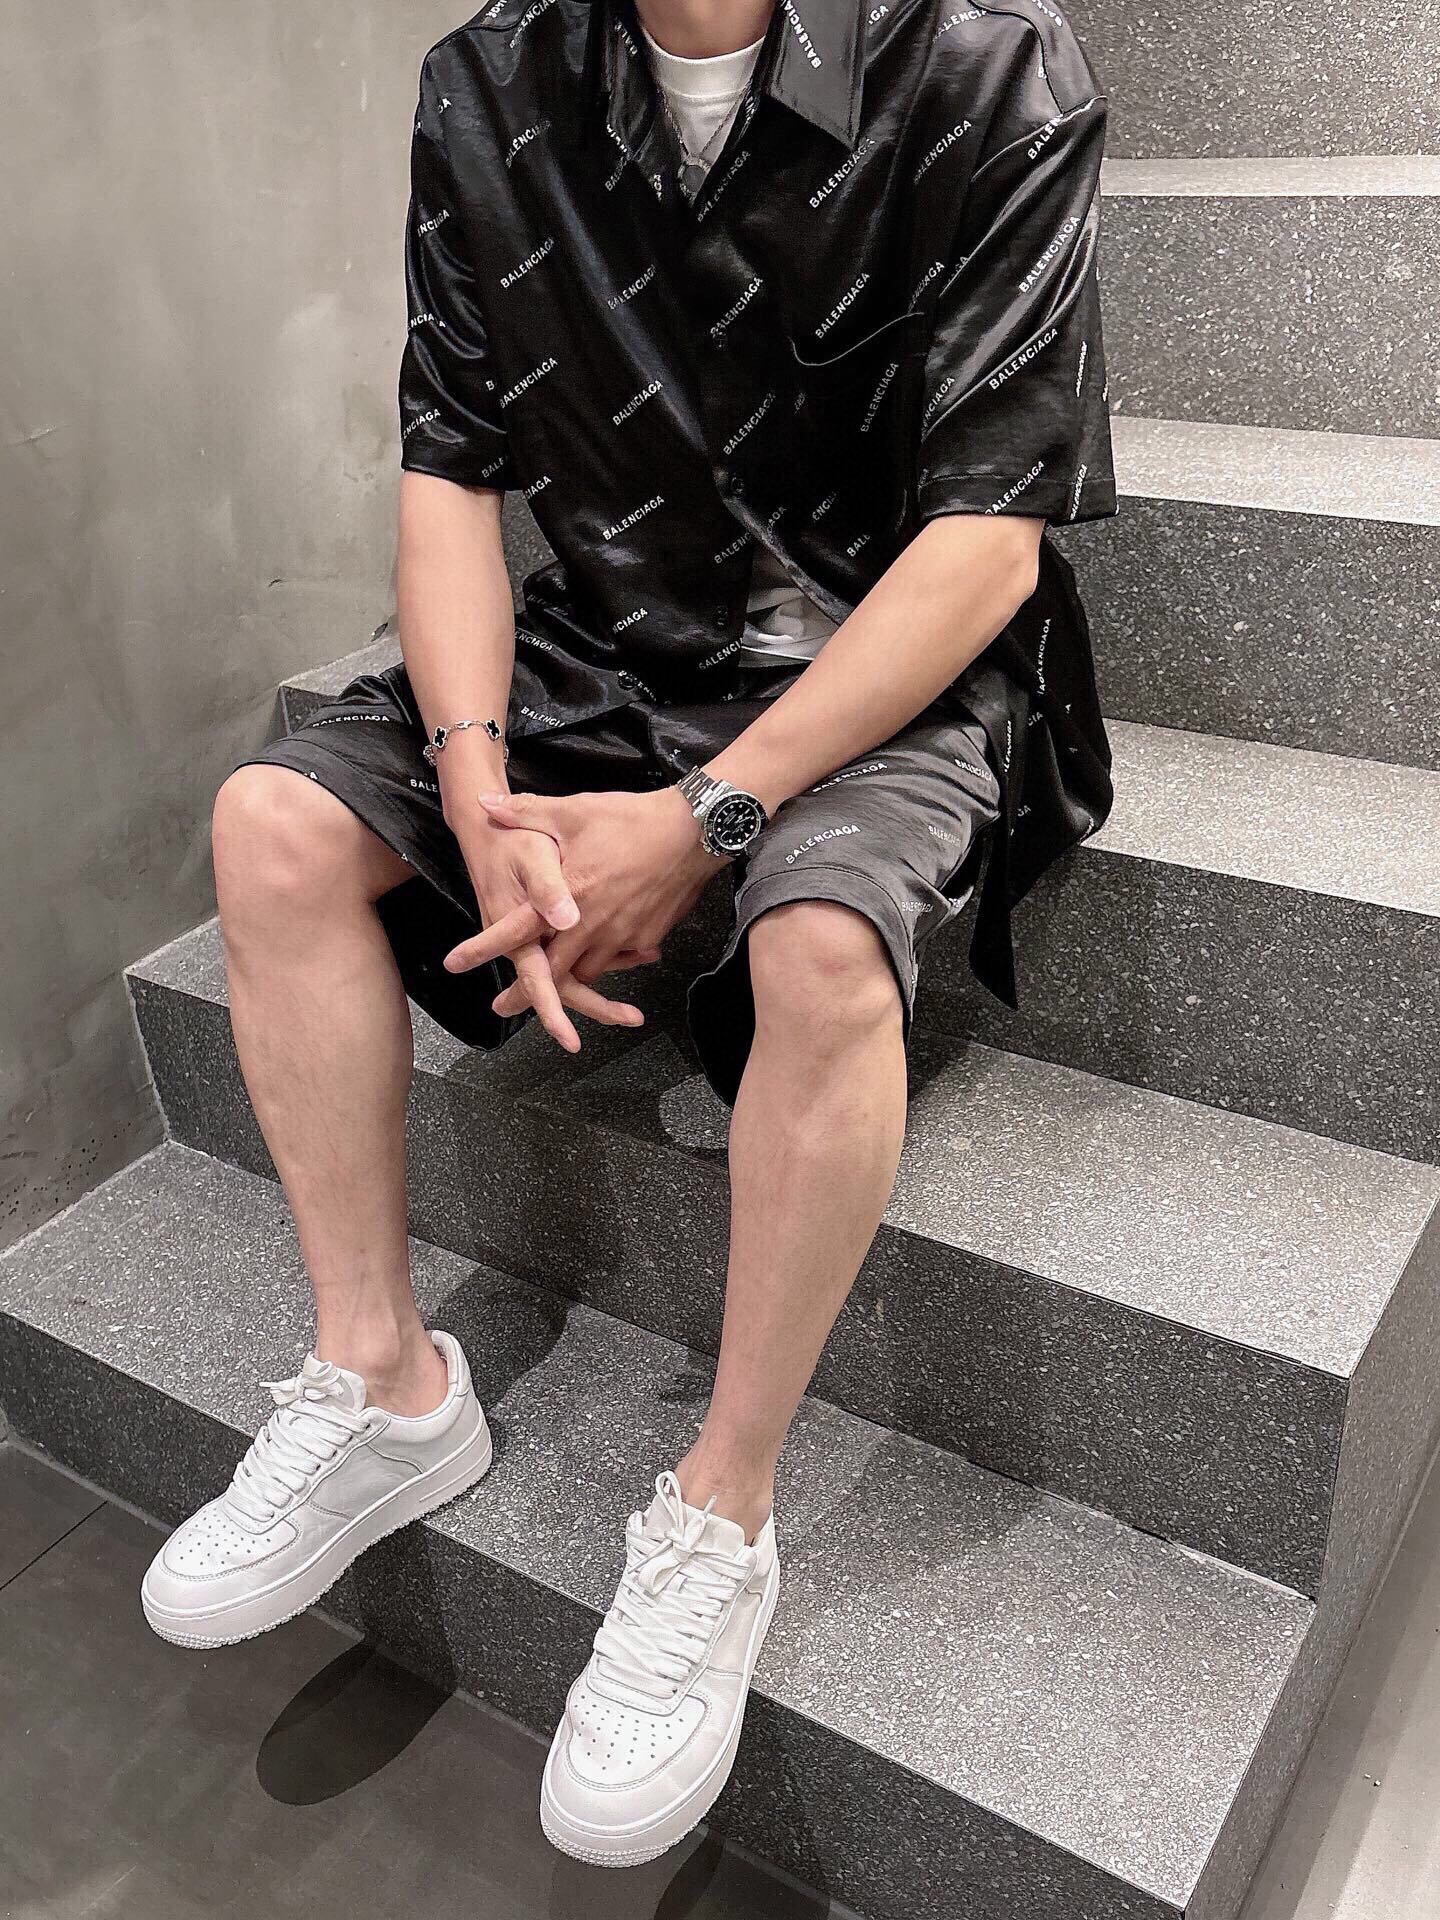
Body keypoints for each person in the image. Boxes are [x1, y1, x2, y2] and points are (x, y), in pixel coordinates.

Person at [140, 0, 1115, 1867]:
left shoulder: (987, 64)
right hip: (612, 646)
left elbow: (990, 536)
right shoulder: (491, 79)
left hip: (887, 670)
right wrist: (475, 785)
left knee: (819, 946)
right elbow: (451, 467)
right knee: (272, 826)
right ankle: (382, 1380)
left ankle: (721, 1511)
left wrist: (710, 820)